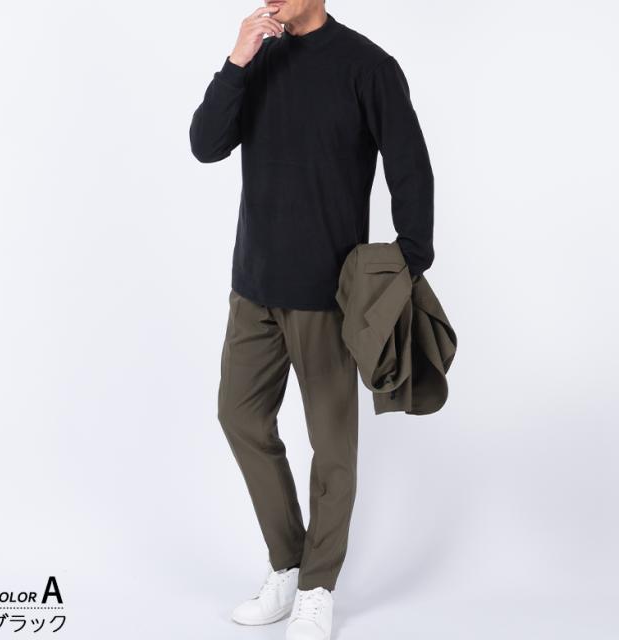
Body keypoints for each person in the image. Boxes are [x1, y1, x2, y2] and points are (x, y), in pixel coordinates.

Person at [189, 2, 434, 638]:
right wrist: (236, 60)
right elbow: (205, 146)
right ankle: (289, 564)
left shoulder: (368, 66)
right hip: (253, 286)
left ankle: (318, 587)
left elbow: (409, 164)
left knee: (332, 448)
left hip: (327, 295)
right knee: (239, 417)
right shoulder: (258, 59)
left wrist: (408, 261)